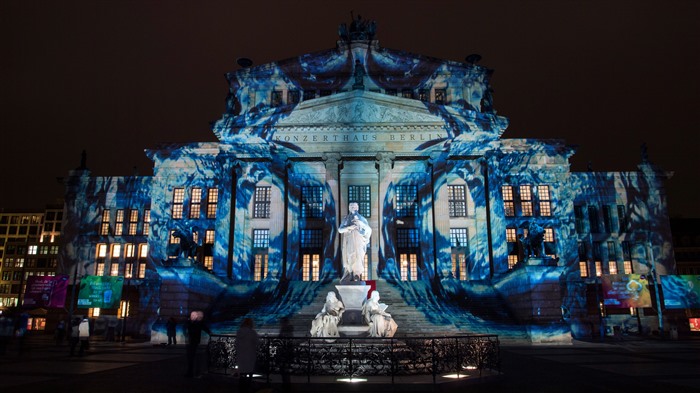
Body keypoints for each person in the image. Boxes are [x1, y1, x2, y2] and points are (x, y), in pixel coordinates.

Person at [338, 202, 371, 281]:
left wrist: (361, 226)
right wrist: (349, 227)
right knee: (349, 256)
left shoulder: (362, 219)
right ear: (349, 208)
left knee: (358, 256)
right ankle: (350, 273)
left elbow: (369, 230)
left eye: (354, 206)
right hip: (349, 240)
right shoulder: (346, 218)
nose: (353, 208)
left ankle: (357, 274)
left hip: (358, 240)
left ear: (357, 208)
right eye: (351, 206)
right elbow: (340, 230)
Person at [235, 318, 259, 393]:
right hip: (250, 355)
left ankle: (241, 389)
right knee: (249, 373)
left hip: (241, 355)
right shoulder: (252, 332)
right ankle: (247, 389)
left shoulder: (239, 332)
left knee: (242, 374)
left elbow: (236, 344)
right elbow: (257, 342)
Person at [185, 310, 211, 378]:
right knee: (191, 358)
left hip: (195, 342)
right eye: (191, 315)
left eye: (193, 315)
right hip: (192, 342)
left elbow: (205, 328)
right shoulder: (191, 322)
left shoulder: (198, 323)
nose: (192, 316)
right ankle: (191, 372)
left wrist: (210, 333)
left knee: (194, 358)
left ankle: (193, 372)